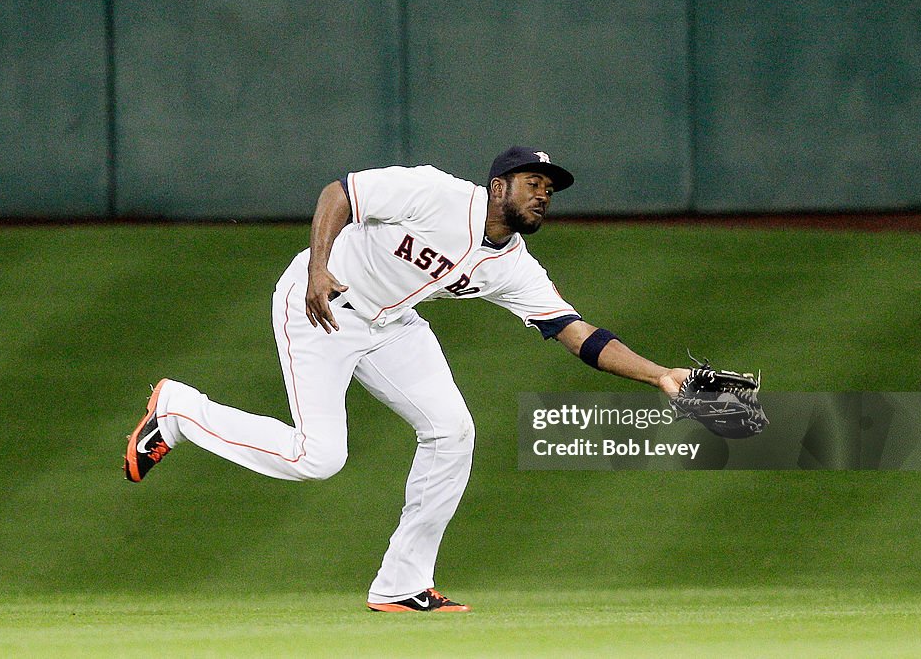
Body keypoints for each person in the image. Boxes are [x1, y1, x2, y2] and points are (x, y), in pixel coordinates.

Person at [124, 146, 689, 612]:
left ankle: (402, 584)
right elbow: (339, 194)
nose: (543, 194)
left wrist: (660, 375)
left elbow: (576, 332)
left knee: (452, 431)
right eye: (532, 182)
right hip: (322, 303)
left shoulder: (514, 266)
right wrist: (319, 268)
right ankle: (178, 411)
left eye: (549, 188)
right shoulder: (436, 193)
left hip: (391, 324)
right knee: (317, 457)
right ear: (498, 187)